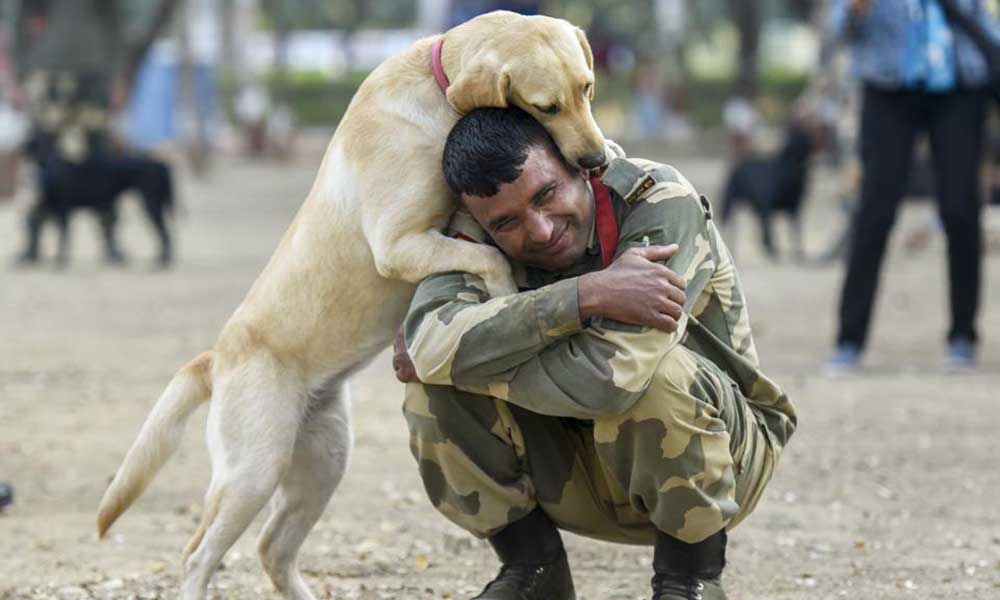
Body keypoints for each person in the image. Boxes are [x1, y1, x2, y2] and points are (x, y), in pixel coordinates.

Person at [392, 107, 797, 600]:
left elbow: (611, 379)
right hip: (576, 472)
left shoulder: (658, 201)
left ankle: (689, 580)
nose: (539, 230)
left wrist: (466, 359)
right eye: (508, 223)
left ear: (578, 163)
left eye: (546, 195)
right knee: (429, 394)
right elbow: (426, 343)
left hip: (721, 465)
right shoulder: (473, 232)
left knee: (657, 378)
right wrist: (586, 295)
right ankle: (533, 572)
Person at [826, 0, 997, 371]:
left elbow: (982, 19)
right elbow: (839, 31)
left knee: (961, 209)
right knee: (875, 210)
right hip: (888, 89)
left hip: (960, 84)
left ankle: (963, 336)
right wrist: (857, 10)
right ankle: (849, 339)